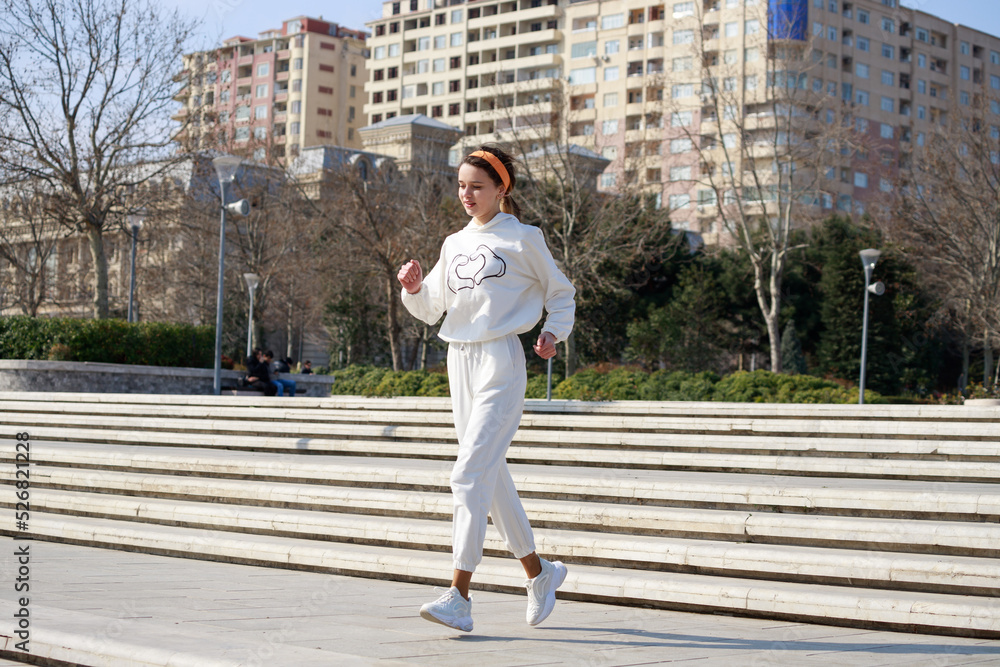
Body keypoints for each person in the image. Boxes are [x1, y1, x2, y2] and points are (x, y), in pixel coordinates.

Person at [397, 145, 575, 633]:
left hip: (501, 360)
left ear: (502, 189)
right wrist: (413, 288)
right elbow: (432, 306)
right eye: (460, 185)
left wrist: (552, 332)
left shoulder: (524, 237)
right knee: (488, 477)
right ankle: (540, 575)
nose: (466, 194)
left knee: (467, 475)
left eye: (477, 185)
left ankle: (459, 595)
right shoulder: (453, 243)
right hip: (459, 361)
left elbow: (562, 292)